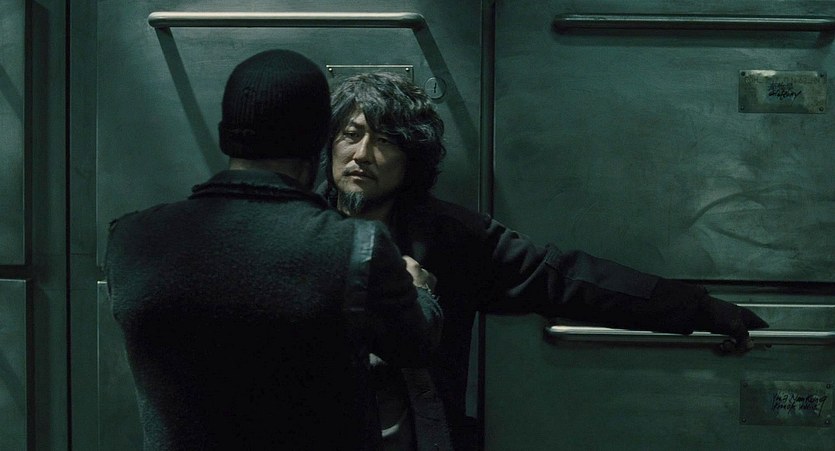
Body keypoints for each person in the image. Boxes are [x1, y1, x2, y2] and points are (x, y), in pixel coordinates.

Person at [318, 72, 769, 450]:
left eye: (385, 141)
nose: (362, 155)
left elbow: (569, 279)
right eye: (351, 135)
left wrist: (701, 309)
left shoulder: (449, 238)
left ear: (410, 160)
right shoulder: (298, 225)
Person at [104, 50, 443, 450]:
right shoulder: (356, 247)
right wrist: (420, 290)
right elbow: (414, 344)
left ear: (226, 134)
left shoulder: (130, 238)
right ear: (319, 141)